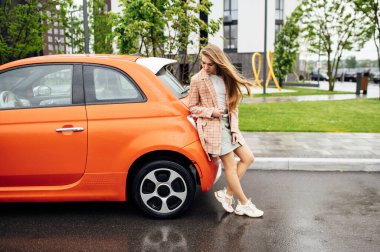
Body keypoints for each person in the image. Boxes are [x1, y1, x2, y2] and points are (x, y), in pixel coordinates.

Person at [187, 44, 263, 218]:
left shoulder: (225, 77)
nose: (205, 67)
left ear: (219, 63)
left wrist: (235, 129)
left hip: (229, 126)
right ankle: (244, 204)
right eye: (203, 63)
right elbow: (191, 106)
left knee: (248, 158)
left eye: (210, 64)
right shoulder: (197, 79)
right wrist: (211, 112)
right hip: (213, 127)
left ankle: (226, 194)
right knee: (230, 166)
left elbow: (233, 106)